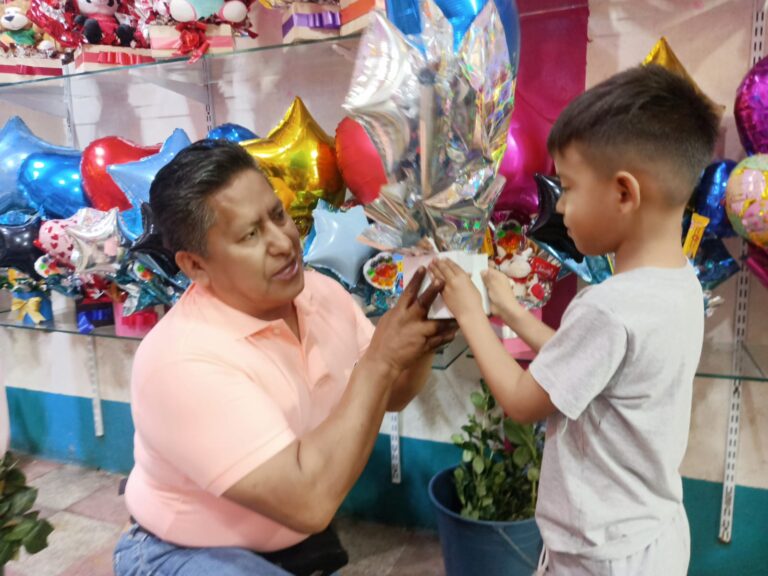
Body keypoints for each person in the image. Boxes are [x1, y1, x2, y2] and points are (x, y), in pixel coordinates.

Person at [113, 140, 457, 576]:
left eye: (277, 215)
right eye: (250, 235)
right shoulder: (179, 361)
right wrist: (381, 362)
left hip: (291, 538)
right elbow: (309, 502)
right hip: (185, 552)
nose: (283, 242)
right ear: (195, 266)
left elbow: (393, 393)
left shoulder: (320, 293)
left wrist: (429, 328)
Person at [428, 64, 719, 575]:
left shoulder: (608, 307)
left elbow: (523, 401)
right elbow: (580, 366)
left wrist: (472, 315)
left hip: (596, 555)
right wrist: (514, 312)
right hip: (652, 534)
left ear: (624, 193)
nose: (559, 206)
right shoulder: (678, 285)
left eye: (567, 187)